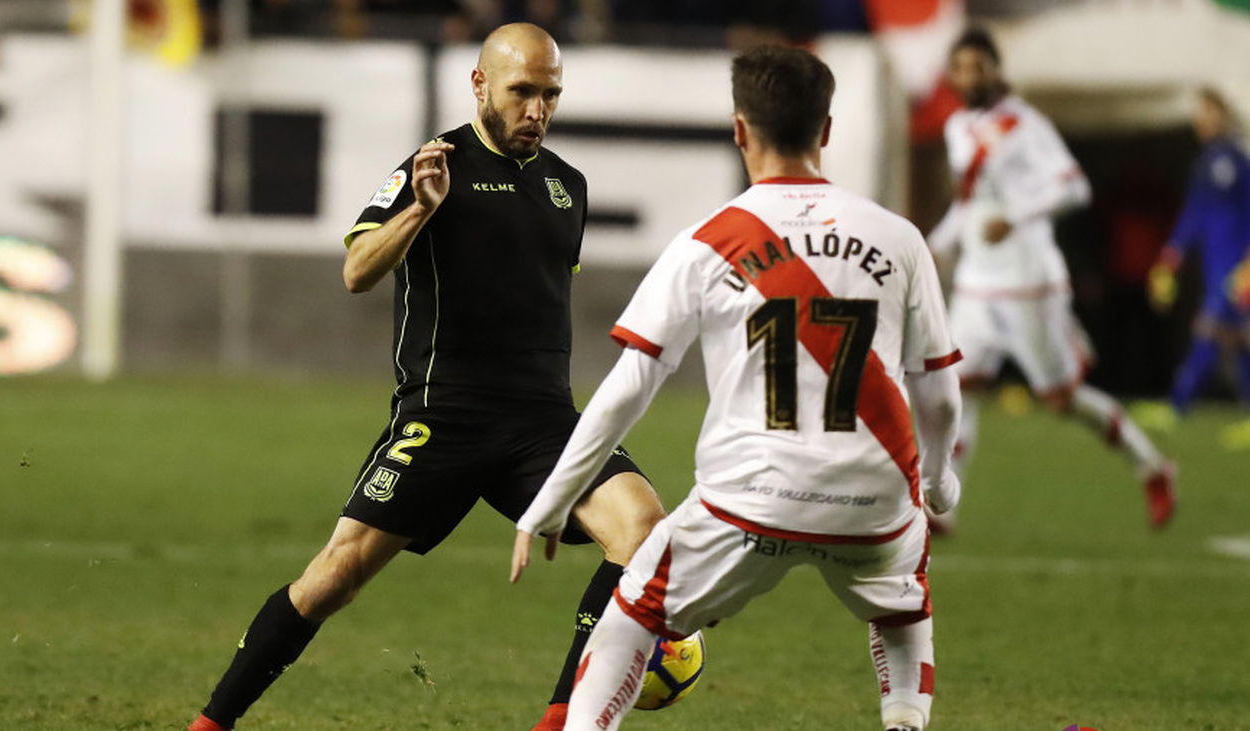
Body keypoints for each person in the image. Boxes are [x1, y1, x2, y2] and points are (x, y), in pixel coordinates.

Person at [187, 23, 666, 731]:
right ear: (480, 84)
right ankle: (211, 723)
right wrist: (420, 208)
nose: (537, 110)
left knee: (645, 531)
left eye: (550, 94)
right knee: (333, 577)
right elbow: (356, 272)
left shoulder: (568, 186)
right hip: (445, 417)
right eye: (522, 91)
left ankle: (563, 720)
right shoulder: (434, 166)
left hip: (544, 423)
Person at [511, 45, 963, 731]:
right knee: (904, 611)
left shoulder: (706, 242)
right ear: (826, 130)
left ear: (740, 130)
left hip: (749, 499)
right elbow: (940, 393)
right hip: (872, 501)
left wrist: (550, 500)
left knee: (630, 617)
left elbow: (630, 386)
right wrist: (938, 480)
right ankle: (903, 718)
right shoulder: (898, 239)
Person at [926, 27, 1176, 529]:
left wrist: (1016, 217)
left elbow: (1075, 187)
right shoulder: (957, 126)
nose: (969, 76)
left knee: (1061, 399)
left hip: (1029, 281)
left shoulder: (1025, 124)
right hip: (977, 283)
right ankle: (943, 506)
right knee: (957, 389)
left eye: (978, 66)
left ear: (996, 69)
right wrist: (933, 243)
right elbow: (969, 204)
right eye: (960, 68)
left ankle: (1152, 466)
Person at [1141, 87, 1250, 451]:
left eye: (1207, 112)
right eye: (1198, 113)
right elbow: (1195, 214)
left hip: (1236, 264)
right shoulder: (1205, 161)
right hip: (1215, 262)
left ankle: (1177, 405)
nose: (1200, 119)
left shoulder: (1234, 160)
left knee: (1209, 330)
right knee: (1236, 339)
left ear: (1223, 115)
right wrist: (1172, 253)